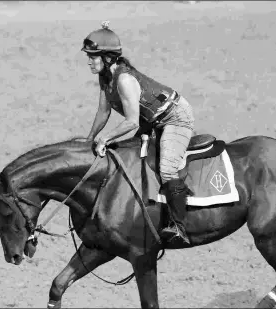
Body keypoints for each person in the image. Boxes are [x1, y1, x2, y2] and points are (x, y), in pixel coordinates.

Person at [82, 21, 195, 245]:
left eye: (93, 56)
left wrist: (105, 137)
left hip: (174, 117)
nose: (89, 61)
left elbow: (132, 122)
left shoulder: (124, 80)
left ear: (107, 58)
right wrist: (89, 140)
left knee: (167, 169)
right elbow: (103, 112)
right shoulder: (105, 77)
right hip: (151, 121)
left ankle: (178, 227)